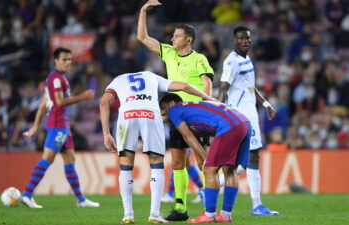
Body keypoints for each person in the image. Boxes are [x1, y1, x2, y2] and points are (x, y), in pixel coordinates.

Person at [99, 71, 215, 224]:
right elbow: (185, 86)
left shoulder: (118, 79)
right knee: (156, 164)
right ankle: (154, 215)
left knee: (125, 166)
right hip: (150, 114)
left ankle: (128, 215)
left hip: (126, 115)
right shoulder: (151, 76)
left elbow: (104, 102)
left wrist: (106, 133)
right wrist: (207, 97)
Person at [137, 0, 215, 220]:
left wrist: (206, 107)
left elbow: (207, 85)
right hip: (175, 116)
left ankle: (211, 210)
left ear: (188, 40)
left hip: (196, 115)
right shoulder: (169, 53)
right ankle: (181, 208)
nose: (172, 38)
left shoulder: (199, 58)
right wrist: (143, 11)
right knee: (178, 162)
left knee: (204, 161)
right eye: (173, 36)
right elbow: (142, 38)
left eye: (177, 36)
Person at [21, 47, 99, 208]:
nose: (67, 62)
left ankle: (81, 200)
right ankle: (27, 194)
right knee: (47, 158)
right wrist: (83, 96)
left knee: (70, 160)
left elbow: (44, 104)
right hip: (57, 125)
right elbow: (59, 102)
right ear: (55, 60)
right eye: (64, 59)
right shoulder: (56, 78)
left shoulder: (59, 78)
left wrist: (35, 126)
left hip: (63, 126)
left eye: (69, 59)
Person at [159, 93, 251, 223]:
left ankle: (209, 215)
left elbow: (187, 136)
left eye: (163, 108)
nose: (162, 112)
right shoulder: (195, 106)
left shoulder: (175, 109)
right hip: (244, 122)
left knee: (210, 171)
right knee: (230, 171)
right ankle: (225, 215)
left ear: (171, 103)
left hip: (228, 126)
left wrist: (203, 156)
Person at [218, 25, 279, 216]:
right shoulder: (232, 61)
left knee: (246, 159)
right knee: (252, 156)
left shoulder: (247, 58)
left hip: (250, 112)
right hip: (241, 115)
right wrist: (218, 115)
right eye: (242, 39)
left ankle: (210, 186)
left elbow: (250, 87)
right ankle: (257, 205)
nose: (246, 41)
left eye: (248, 39)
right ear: (235, 40)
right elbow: (223, 88)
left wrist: (266, 103)